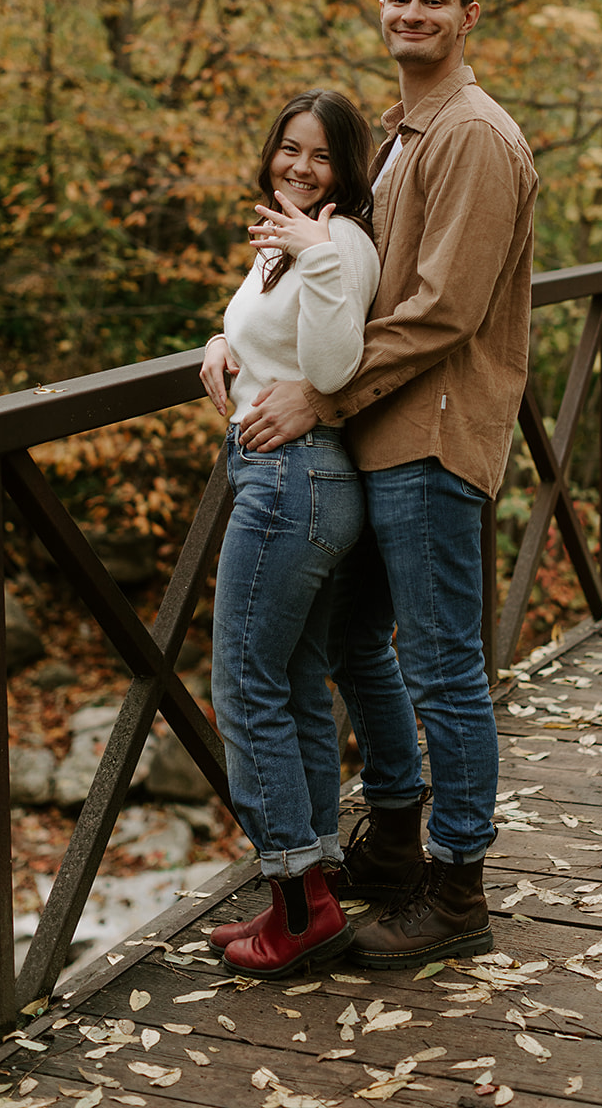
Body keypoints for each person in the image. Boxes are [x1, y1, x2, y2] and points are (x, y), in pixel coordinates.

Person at [238, 0, 538, 968]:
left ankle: (457, 891)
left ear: (467, 18)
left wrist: (322, 395)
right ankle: (399, 850)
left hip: (431, 432)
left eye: (433, 0)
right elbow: (346, 286)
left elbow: (443, 310)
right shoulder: (406, 133)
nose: (410, 13)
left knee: (443, 665)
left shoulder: (475, 138)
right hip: (376, 436)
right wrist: (235, 344)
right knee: (363, 646)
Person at [199, 89, 381, 979]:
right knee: (297, 682)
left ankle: (298, 908)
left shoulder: (333, 241)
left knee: (242, 683)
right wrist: (221, 343)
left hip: (291, 482)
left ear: (348, 170)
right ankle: (312, 887)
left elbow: (333, 366)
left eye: (319, 157)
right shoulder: (290, 236)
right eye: (287, 149)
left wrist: (313, 255)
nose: (298, 168)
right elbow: (276, 338)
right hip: (290, 480)